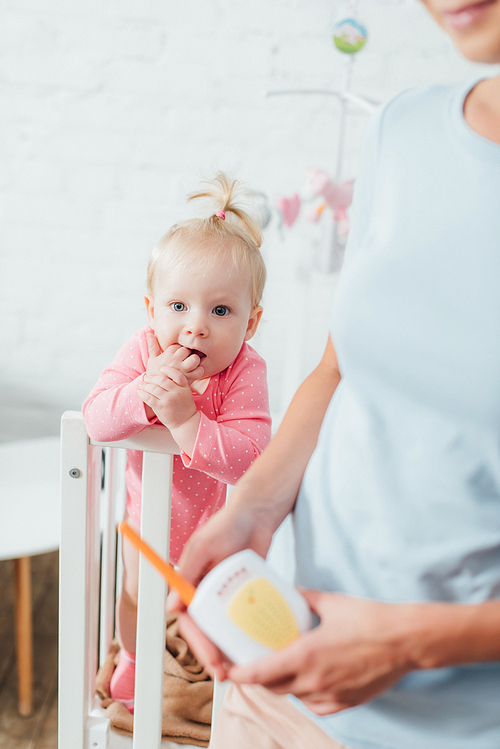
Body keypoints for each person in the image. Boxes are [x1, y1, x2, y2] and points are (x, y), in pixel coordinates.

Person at [171, 2, 500, 748]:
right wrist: (254, 508)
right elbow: (338, 367)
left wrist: (410, 641)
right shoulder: (404, 129)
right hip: (282, 672)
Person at [82, 173, 271, 713]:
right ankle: (136, 664)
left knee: (206, 612)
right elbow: (95, 420)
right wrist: (146, 397)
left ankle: (205, 669)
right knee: (138, 600)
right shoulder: (143, 353)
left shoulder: (243, 371)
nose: (196, 328)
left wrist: (186, 419)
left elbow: (253, 457)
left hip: (213, 536)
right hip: (148, 528)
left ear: (250, 322)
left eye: (220, 310)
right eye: (179, 307)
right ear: (152, 310)